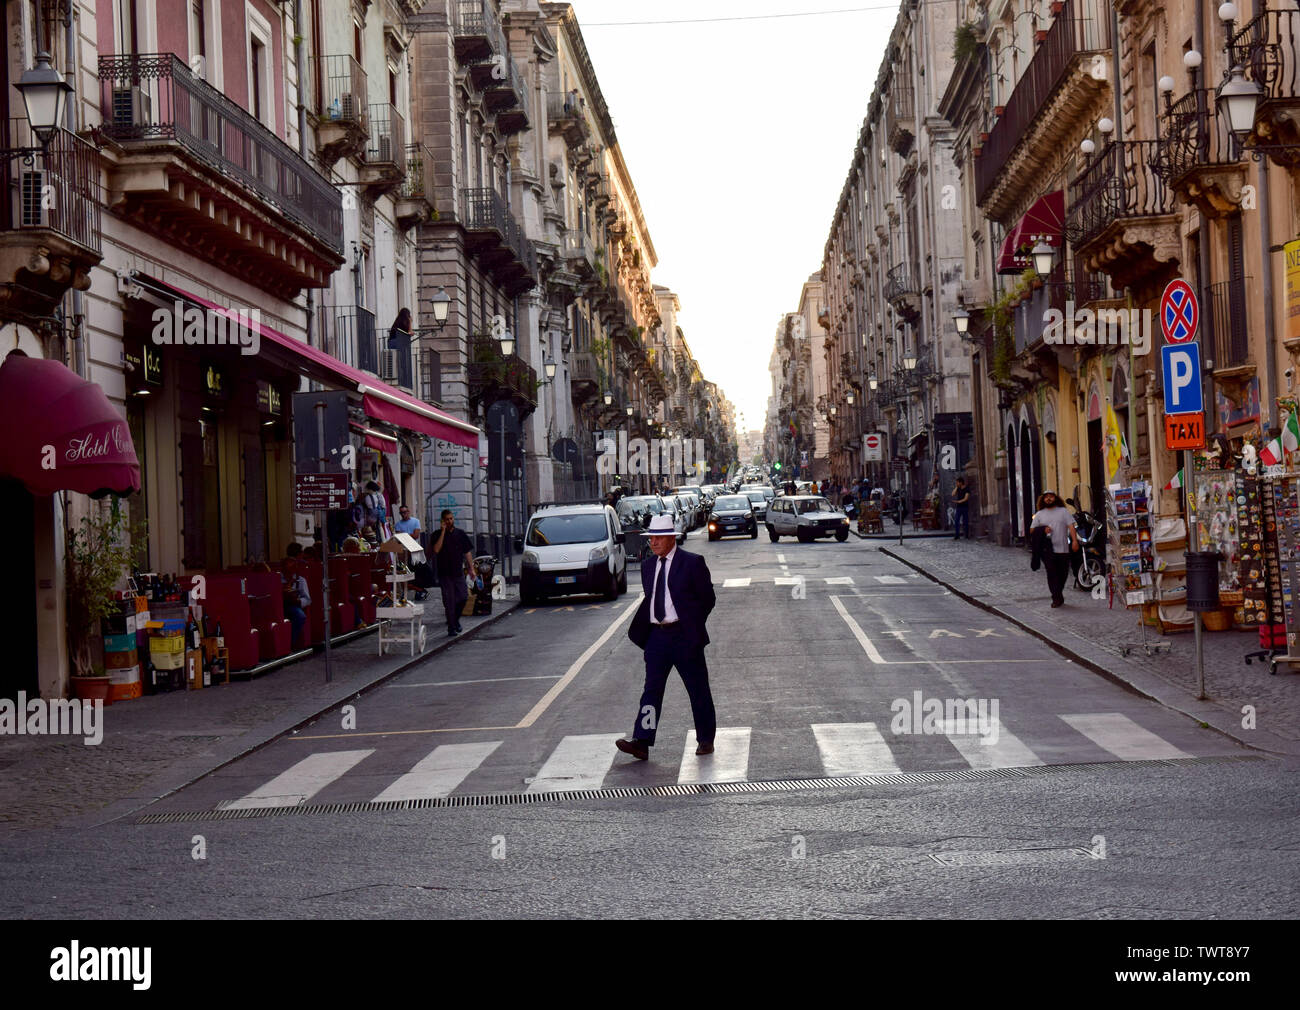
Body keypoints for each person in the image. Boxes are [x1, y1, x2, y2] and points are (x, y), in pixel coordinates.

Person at [616, 514, 718, 761]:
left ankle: (706, 739)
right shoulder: (648, 566)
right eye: (651, 538)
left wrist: (691, 625)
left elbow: (708, 599)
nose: (654, 542)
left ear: (672, 538)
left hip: (684, 636)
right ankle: (642, 741)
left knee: (697, 690)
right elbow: (653, 597)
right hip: (657, 639)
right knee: (651, 691)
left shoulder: (692, 563)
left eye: (659, 537)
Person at [1029, 490, 1080, 608]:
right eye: (1046, 497)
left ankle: (1058, 594)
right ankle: (1056, 598)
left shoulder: (1063, 511)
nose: (1048, 499)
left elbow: (1071, 527)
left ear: (1055, 498)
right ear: (1043, 500)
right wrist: (1042, 529)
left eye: (1051, 497)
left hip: (1063, 549)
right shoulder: (1040, 514)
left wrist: (1075, 541)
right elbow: (1032, 530)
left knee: (1063, 574)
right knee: (1051, 574)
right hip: (1047, 550)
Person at [432, 508, 474, 636]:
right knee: (449, 601)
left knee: (463, 597)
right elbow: (436, 550)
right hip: (444, 573)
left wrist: (471, 568)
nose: (450, 521)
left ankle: (455, 620)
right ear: (442, 521)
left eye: (451, 519)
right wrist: (443, 532)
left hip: (458, 572)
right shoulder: (436, 534)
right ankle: (451, 627)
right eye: (447, 519)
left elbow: (467, 552)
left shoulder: (460, 534)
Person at [282, 543, 312, 650]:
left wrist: (298, 601)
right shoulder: (278, 579)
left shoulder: (300, 580)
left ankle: (290, 644)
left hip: (292, 605)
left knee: (300, 616)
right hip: (278, 605)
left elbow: (308, 599)